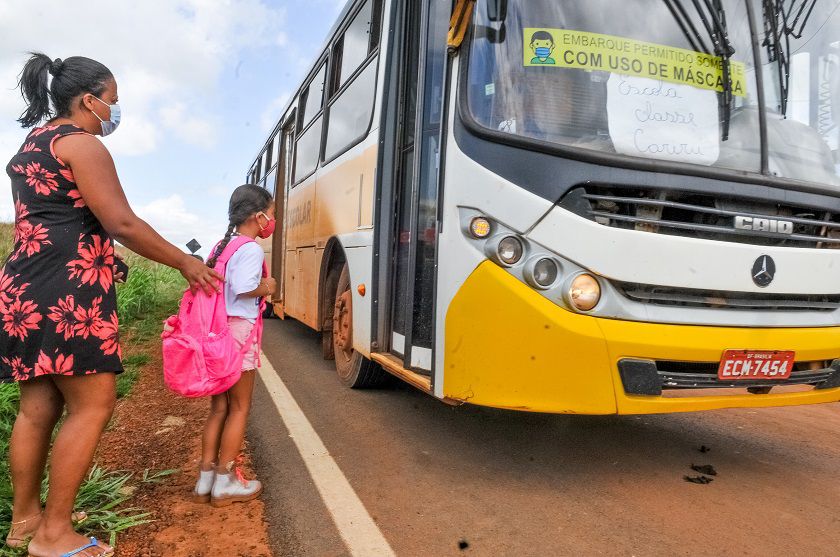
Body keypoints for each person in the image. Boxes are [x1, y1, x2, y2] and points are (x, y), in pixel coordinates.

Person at [1, 53, 222, 557]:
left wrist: (106, 260)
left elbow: (58, 220)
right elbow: (121, 222)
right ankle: (55, 536)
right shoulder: (82, 144)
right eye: (112, 102)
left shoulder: (32, 145)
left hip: (24, 287)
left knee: (38, 408)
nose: (114, 113)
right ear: (89, 100)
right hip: (67, 293)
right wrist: (184, 263)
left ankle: (26, 520)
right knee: (92, 404)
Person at [193, 185, 276, 507]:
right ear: (258, 217)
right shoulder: (251, 249)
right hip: (238, 334)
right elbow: (244, 289)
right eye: (272, 214)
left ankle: (206, 480)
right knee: (240, 407)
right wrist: (267, 286)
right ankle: (226, 482)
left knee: (219, 408)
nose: (272, 221)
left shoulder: (222, 246)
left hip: (215, 331)